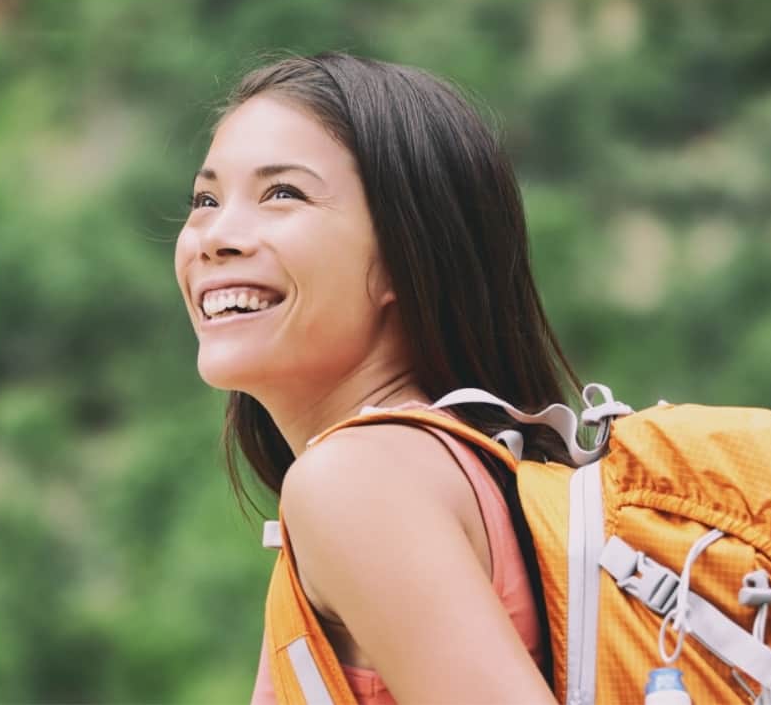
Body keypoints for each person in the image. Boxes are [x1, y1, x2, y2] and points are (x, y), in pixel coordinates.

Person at [174, 53, 573, 704]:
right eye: (205, 199)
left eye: (283, 194)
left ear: (404, 255)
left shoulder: (355, 483)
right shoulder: (456, 469)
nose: (215, 236)